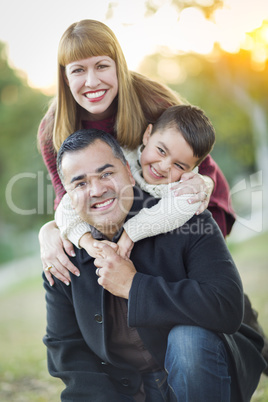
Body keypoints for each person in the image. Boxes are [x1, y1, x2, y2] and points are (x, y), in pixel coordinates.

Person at [43, 129, 266, 402]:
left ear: (128, 170)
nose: (97, 190)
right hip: (129, 390)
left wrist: (133, 286)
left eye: (106, 174)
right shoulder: (62, 254)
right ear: (66, 195)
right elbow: (68, 351)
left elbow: (227, 306)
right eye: (80, 184)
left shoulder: (186, 217)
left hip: (204, 372)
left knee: (188, 341)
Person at [37, 19, 235, 287]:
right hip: (130, 217)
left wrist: (202, 183)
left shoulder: (153, 101)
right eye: (78, 70)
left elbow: (198, 162)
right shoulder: (52, 130)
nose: (92, 81)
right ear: (64, 76)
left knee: (189, 293)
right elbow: (68, 198)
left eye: (102, 66)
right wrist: (47, 230)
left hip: (188, 211)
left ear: (118, 64)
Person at [55, 104, 216, 260]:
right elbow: (66, 207)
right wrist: (87, 242)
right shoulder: (122, 160)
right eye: (161, 151)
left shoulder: (186, 184)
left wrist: (129, 234)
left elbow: (183, 206)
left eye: (179, 165)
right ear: (147, 135)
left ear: (192, 169)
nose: (163, 166)